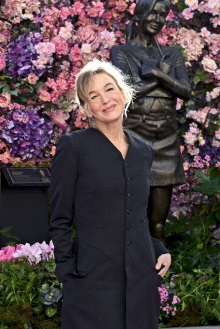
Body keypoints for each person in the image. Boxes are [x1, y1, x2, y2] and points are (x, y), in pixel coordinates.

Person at [49, 59, 172, 328]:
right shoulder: (74, 147)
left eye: (109, 89)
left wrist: (158, 248)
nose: (105, 100)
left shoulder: (143, 152)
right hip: (92, 280)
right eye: (94, 96)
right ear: (86, 107)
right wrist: (68, 273)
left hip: (141, 279)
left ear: (123, 91)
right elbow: (59, 218)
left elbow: (137, 216)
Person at [110, 0, 192, 242]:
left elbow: (186, 91)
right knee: (131, 221)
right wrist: (168, 85)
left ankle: (157, 277)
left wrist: (156, 74)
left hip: (165, 140)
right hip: (133, 139)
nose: (158, 19)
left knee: (157, 225)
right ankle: (129, 272)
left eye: (162, 15)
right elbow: (128, 93)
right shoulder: (120, 52)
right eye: (153, 13)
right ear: (139, 15)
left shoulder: (171, 54)